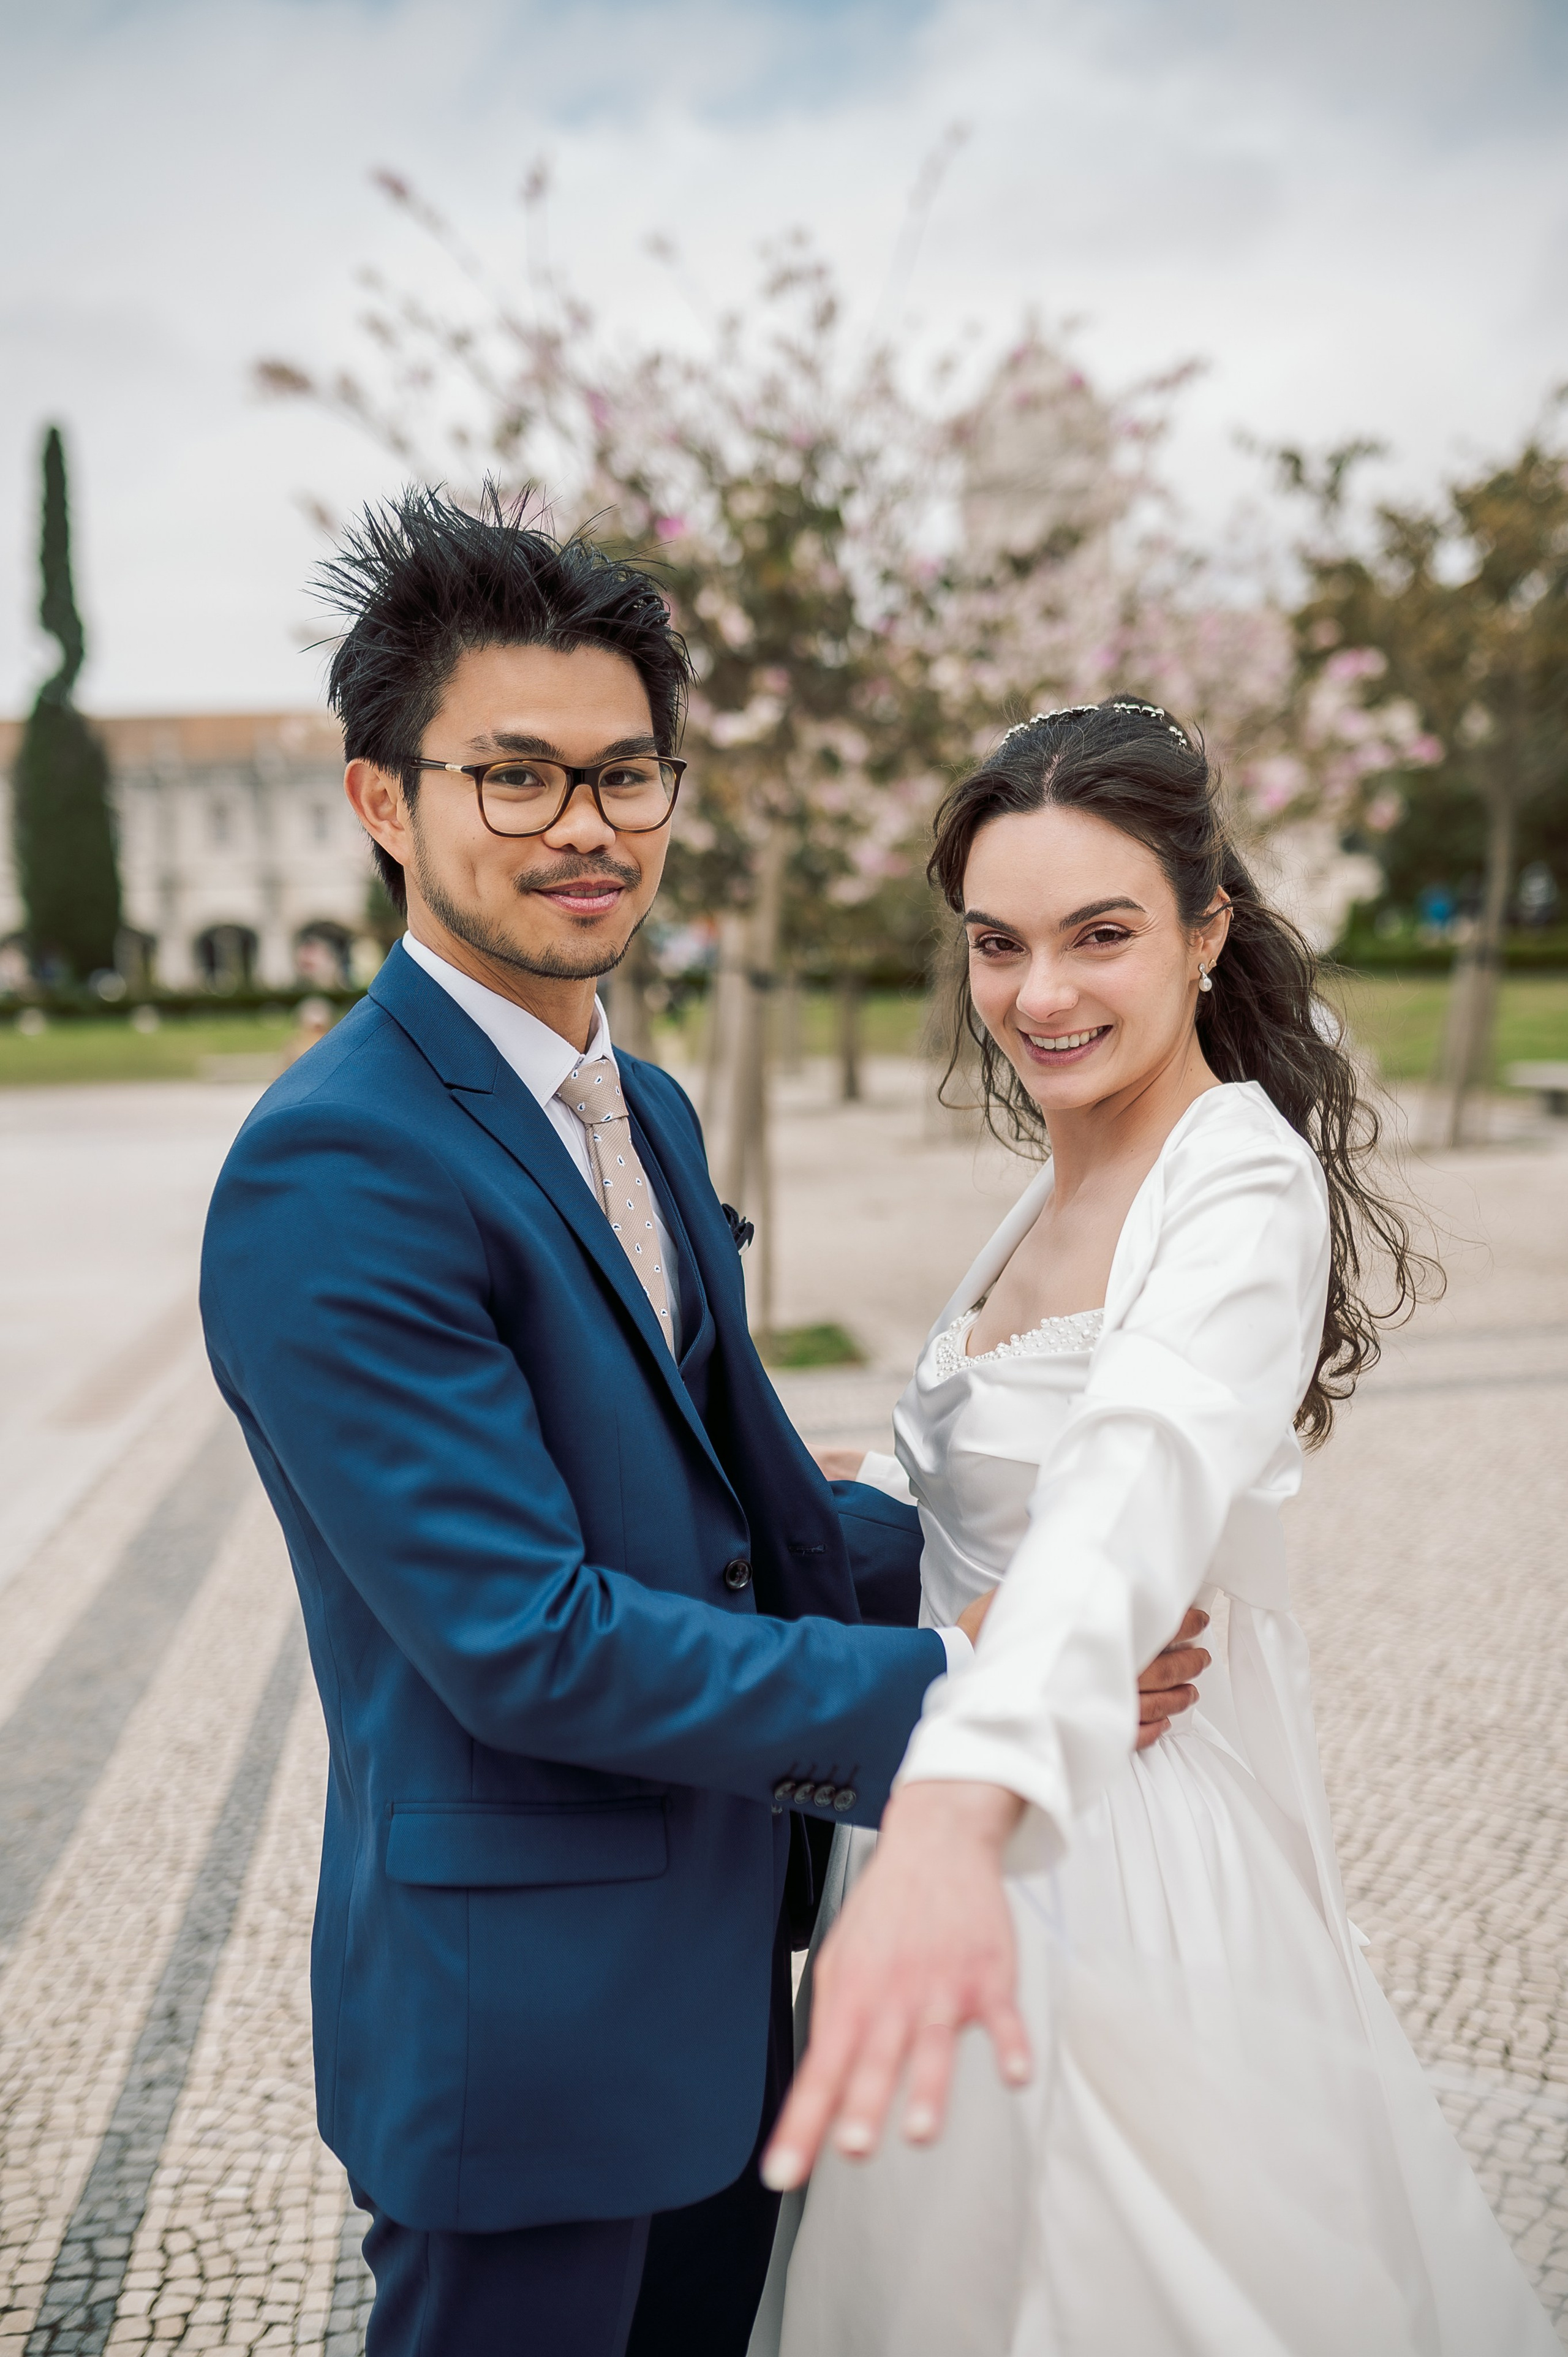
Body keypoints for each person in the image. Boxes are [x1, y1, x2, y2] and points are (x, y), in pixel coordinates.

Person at [198, 498, 1199, 2357]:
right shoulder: (339, 1166)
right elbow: (525, 1641)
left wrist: (1028, 1554)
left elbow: (730, 1515)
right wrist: (974, 1693)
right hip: (528, 2035)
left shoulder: (640, 1104)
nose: (585, 826)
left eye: (625, 773)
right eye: (511, 775)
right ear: (382, 805)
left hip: (732, 1986)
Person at [758, 701, 1557, 2356]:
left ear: (1208, 931)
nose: (1038, 996)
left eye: (1097, 936)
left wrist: (961, 1814)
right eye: (998, 945)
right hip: (942, 1816)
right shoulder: (1045, 1187)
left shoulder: (1238, 1186)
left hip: (1108, 1861)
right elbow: (974, 1478)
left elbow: (1127, 1487)